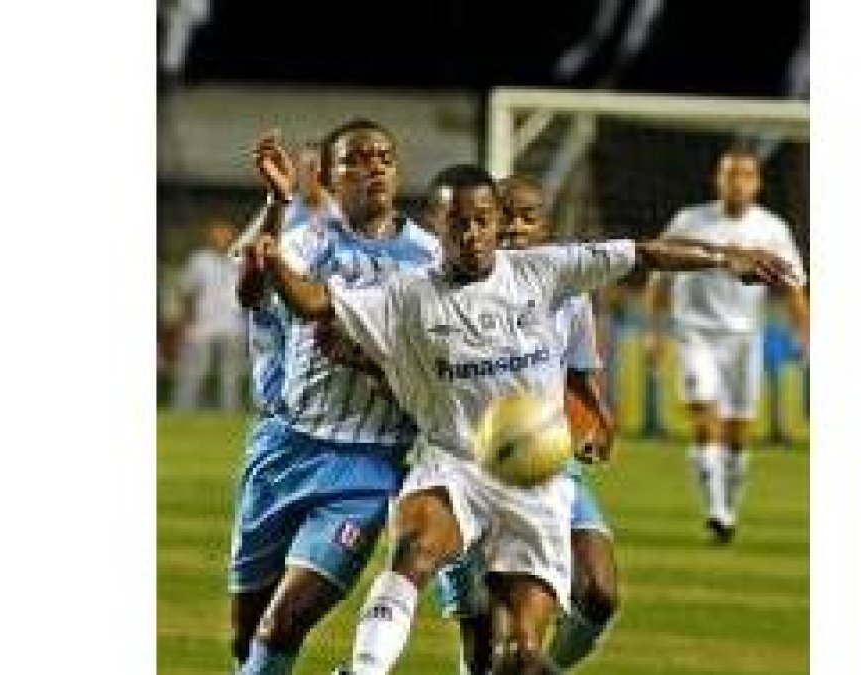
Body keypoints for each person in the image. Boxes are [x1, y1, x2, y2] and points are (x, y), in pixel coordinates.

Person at [245, 165, 795, 674]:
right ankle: (363, 668)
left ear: (495, 222)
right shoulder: (402, 295)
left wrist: (726, 259)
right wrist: (273, 260)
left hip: (537, 483)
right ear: (438, 225)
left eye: (482, 221)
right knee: (414, 551)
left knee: (518, 655)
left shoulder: (542, 272)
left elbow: (645, 253)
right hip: (454, 463)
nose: (471, 234)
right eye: (457, 223)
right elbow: (315, 302)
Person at [229, 118, 441, 675]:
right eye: (357, 159)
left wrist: (369, 362)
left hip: (366, 466)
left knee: (285, 621)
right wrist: (277, 202)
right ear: (326, 175)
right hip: (284, 448)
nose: (374, 167)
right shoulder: (304, 242)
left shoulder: (430, 260)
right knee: (246, 634)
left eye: (384, 157)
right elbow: (252, 290)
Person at [432, 174, 620, 673]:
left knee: (599, 592)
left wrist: (600, 420)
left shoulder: (567, 290)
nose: (515, 227)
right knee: (482, 642)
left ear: (546, 227)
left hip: (547, 462)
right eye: (506, 216)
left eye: (528, 217)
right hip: (469, 470)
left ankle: (545, 665)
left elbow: (578, 371)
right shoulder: (449, 285)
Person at [647, 145, 809, 543]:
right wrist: (656, 330)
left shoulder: (772, 229)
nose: (736, 182)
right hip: (694, 333)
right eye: (729, 174)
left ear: (757, 182)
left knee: (738, 435)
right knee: (705, 419)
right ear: (717, 179)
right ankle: (716, 512)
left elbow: (793, 288)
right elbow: (659, 273)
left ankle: (729, 510)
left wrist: (805, 333)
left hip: (743, 340)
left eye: (745, 175)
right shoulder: (690, 221)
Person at [172, 217, 245, 411]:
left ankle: (229, 410)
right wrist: (185, 323)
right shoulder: (198, 260)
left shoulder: (240, 260)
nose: (221, 238)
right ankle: (183, 409)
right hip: (202, 324)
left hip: (233, 324)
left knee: (231, 373)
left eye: (226, 234)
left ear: (233, 236)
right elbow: (186, 293)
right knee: (195, 370)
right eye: (217, 235)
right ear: (209, 237)